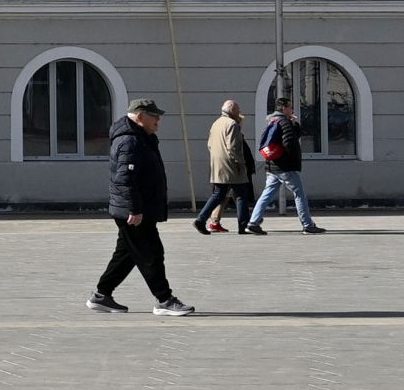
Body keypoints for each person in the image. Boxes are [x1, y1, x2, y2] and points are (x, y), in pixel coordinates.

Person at [91, 97, 198, 315]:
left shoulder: (142, 138)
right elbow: (124, 179)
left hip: (138, 209)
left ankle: (101, 296)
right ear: (140, 117)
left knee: (127, 254)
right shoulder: (130, 141)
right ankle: (165, 300)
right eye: (154, 116)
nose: (158, 120)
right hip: (134, 211)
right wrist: (134, 209)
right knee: (151, 253)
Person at [242, 94, 323, 234]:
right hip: (285, 167)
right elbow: (289, 142)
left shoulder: (272, 121)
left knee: (267, 194)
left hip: (272, 166)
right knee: (300, 194)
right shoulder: (284, 122)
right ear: (284, 108)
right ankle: (308, 225)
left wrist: (294, 124)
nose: (292, 110)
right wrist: (292, 160)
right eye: (290, 107)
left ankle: (253, 222)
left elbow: (287, 137)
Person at [197, 97, 255, 235]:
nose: (239, 112)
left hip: (218, 165)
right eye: (238, 110)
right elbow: (234, 147)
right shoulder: (232, 124)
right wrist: (241, 163)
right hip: (232, 166)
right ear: (233, 110)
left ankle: (201, 219)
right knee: (241, 195)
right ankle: (243, 226)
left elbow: (210, 145)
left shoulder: (216, 123)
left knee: (218, 194)